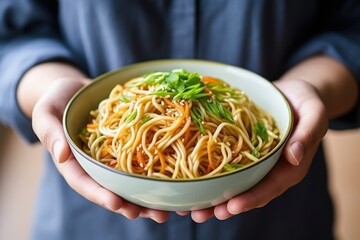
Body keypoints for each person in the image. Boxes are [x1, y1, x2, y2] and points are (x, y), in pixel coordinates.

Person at [1, 1, 359, 239]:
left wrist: (314, 87)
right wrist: (46, 85)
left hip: (278, 219)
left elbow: (351, 25)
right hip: (90, 223)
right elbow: (12, 33)